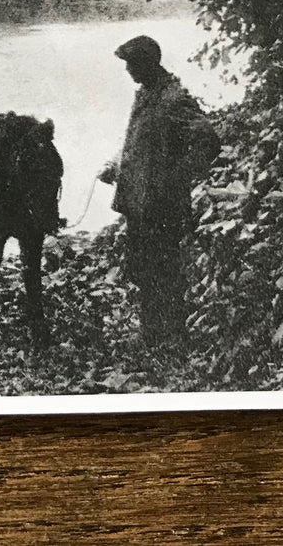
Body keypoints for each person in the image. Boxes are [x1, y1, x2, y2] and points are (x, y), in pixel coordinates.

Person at [99, 34, 221, 349]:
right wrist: (118, 167)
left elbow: (208, 140)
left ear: (147, 64)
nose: (127, 71)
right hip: (141, 203)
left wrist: (174, 178)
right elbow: (144, 142)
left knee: (164, 269)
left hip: (162, 205)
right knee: (143, 267)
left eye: (131, 64)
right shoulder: (149, 94)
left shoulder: (173, 99)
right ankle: (152, 334)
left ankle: (174, 336)